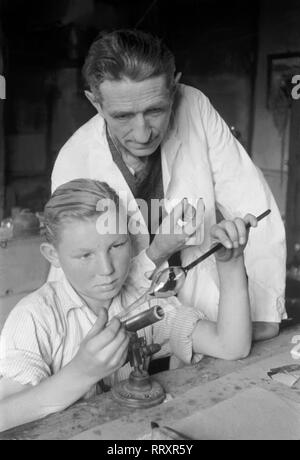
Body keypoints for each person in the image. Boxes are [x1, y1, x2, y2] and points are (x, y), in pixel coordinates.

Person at [51, 29, 286, 341]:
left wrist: (265, 311)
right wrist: (158, 249)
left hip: (202, 316)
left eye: (155, 110)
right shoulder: (74, 161)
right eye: (122, 116)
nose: (143, 132)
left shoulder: (195, 107)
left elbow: (250, 201)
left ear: (173, 89)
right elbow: (80, 275)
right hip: (120, 320)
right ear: (96, 103)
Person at [0, 179, 256, 432]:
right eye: (85, 255)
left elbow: (230, 345)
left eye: (117, 245)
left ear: (131, 239)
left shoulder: (141, 300)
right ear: (52, 255)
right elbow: (5, 415)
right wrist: (82, 372)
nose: (107, 269)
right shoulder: (34, 317)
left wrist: (231, 264)